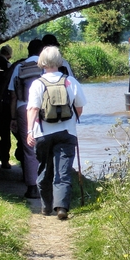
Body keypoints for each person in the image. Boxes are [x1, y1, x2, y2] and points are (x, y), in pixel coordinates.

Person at [26, 46, 87, 220]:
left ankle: (45, 206)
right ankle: (61, 207)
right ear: (59, 61)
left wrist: (30, 131)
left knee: (45, 168)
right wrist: (71, 123)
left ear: (42, 62)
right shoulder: (71, 82)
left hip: (43, 133)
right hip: (67, 132)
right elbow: (79, 108)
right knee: (64, 170)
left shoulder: (37, 84)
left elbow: (33, 109)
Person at [9, 39, 43, 199]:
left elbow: (13, 94)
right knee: (46, 146)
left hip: (23, 108)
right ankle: (47, 187)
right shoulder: (46, 66)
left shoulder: (19, 67)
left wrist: (13, 118)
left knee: (29, 148)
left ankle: (32, 188)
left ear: (28, 51)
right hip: (44, 110)